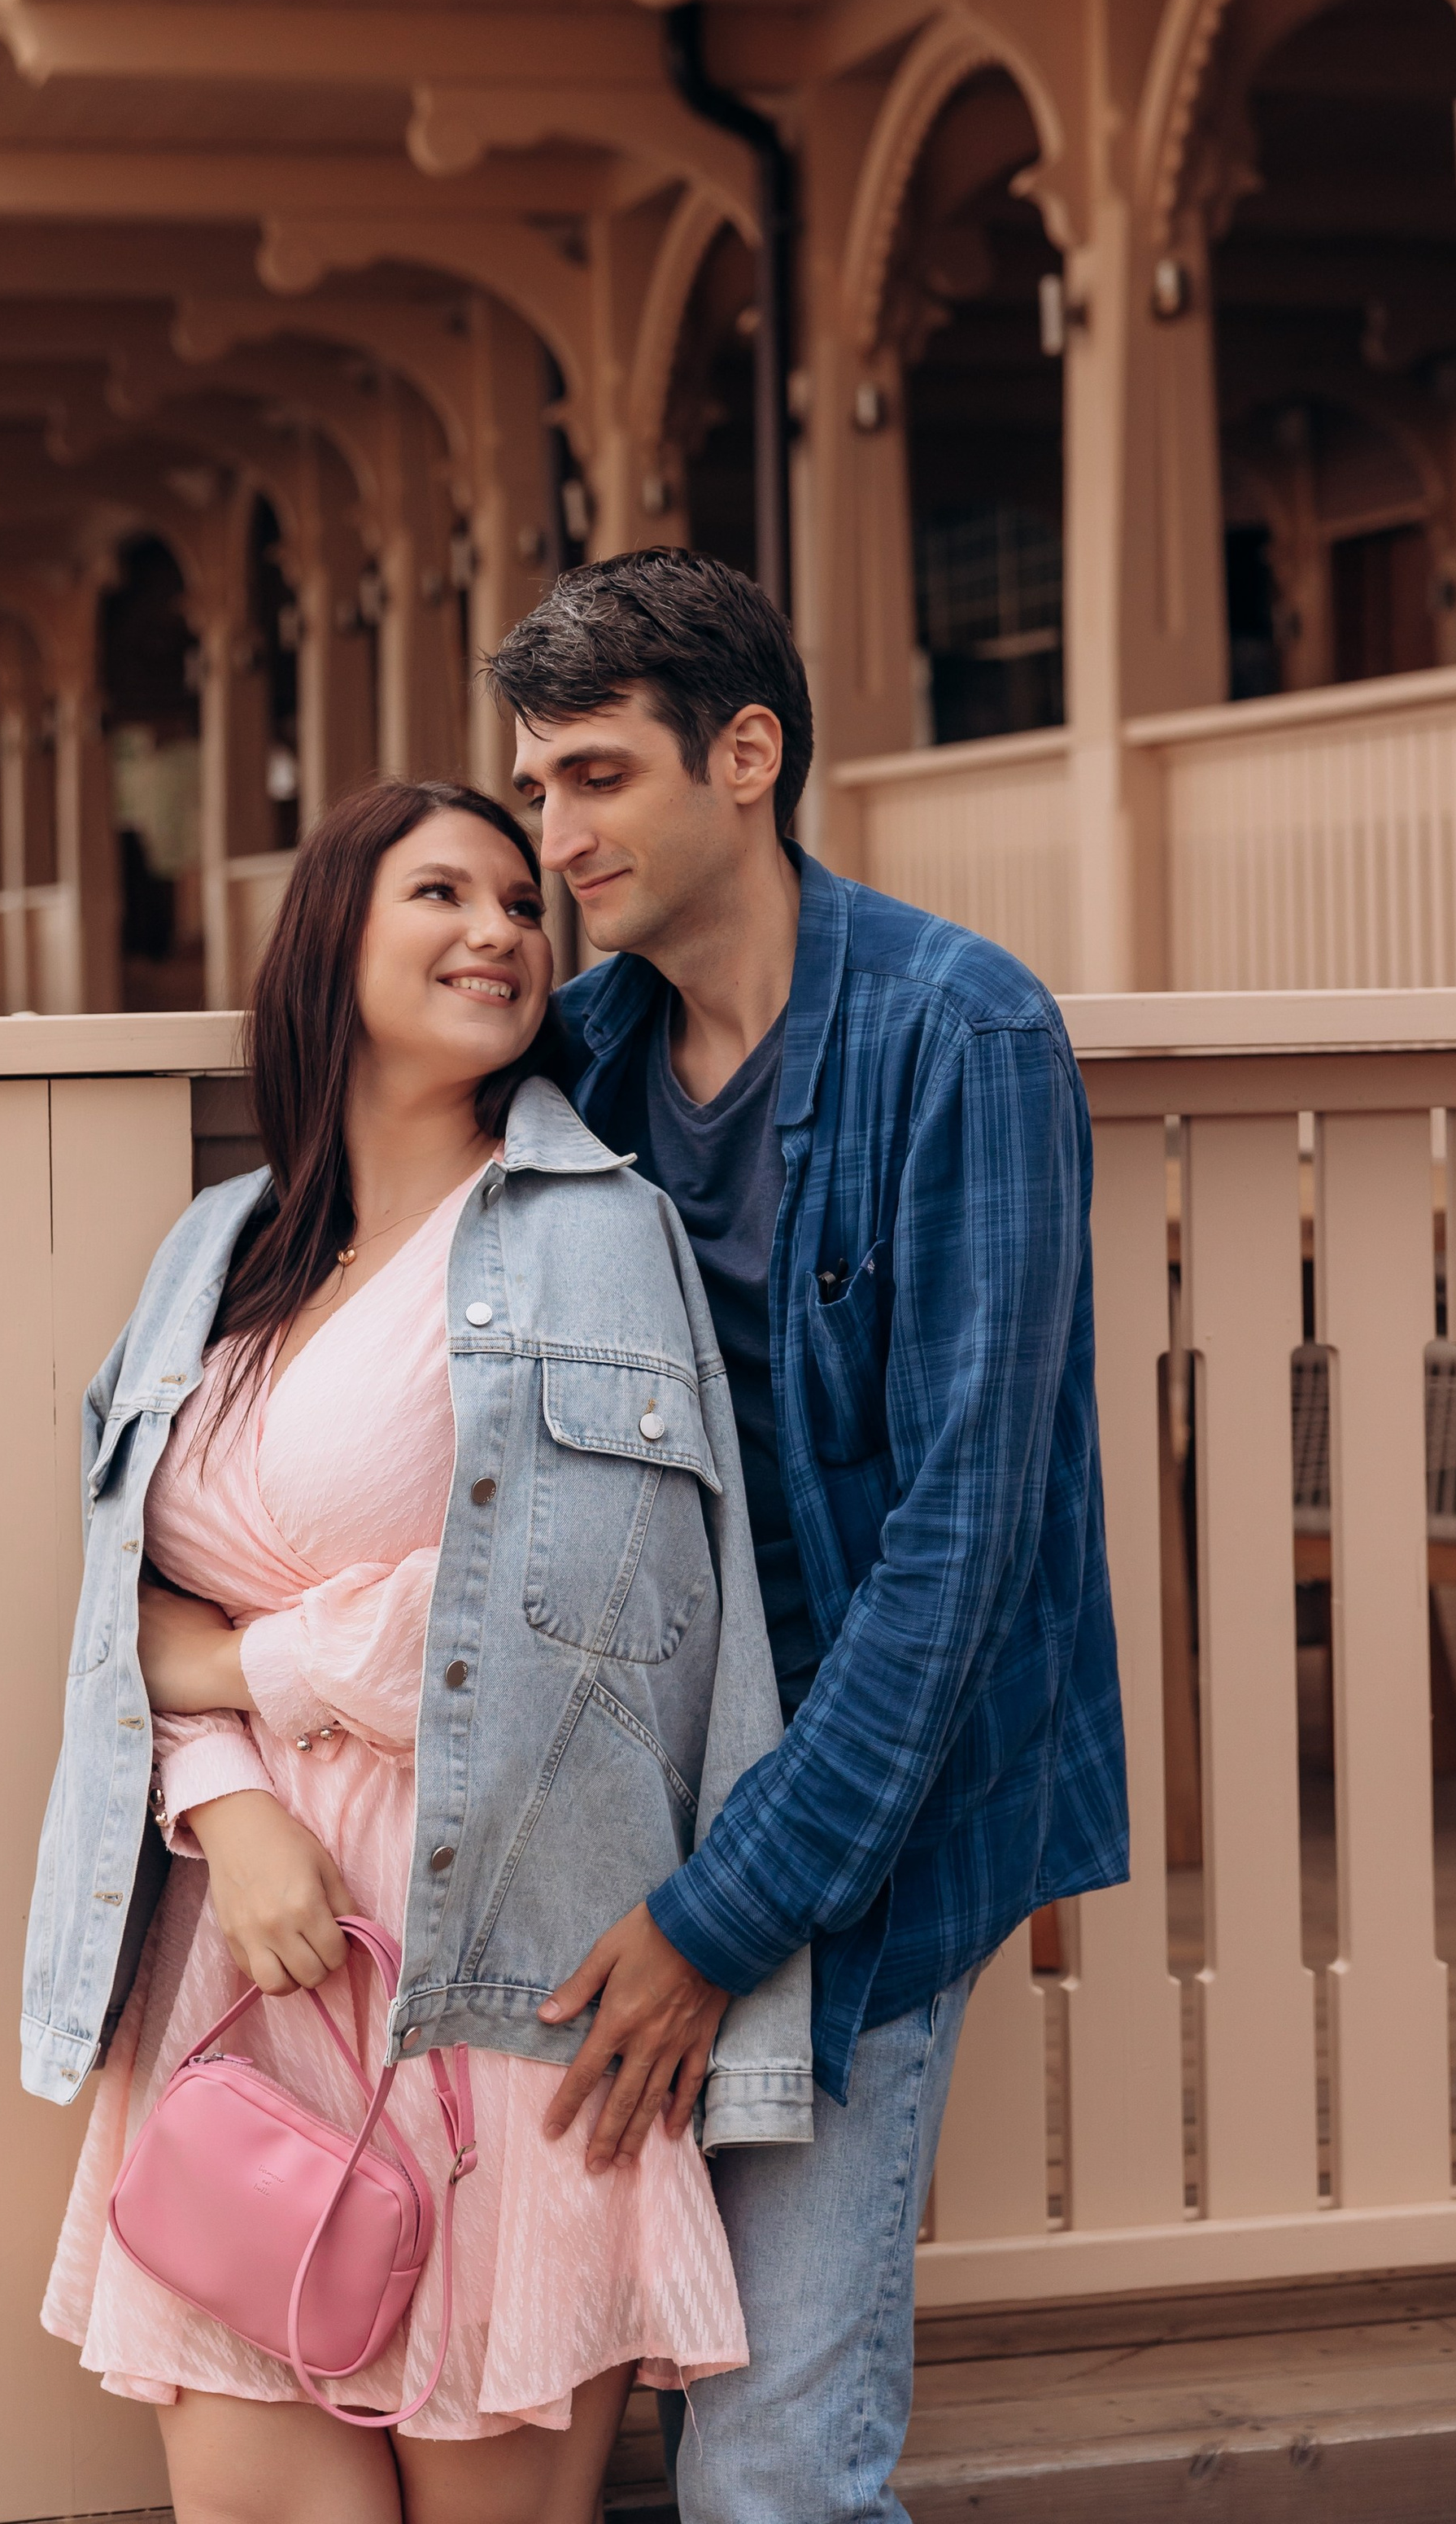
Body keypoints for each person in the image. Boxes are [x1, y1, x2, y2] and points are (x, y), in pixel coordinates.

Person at [20, 776, 812, 2524]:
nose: (501, 932)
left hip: (496, 1968)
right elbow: (112, 1609)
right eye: (440, 893)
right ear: (330, 943)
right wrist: (228, 1805)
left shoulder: (594, 1238)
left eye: (523, 904)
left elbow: (563, 1631)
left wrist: (233, 1672)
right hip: (245, 1962)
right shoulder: (220, 1247)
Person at [489, 549, 1128, 2524]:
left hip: (877, 1804)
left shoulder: (964, 1037)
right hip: (622, 1782)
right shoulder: (577, 1060)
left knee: (769, 2468)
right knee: (551, 2389)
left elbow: (958, 1553)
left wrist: (722, 1917)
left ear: (743, 754)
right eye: (528, 789)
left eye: (593, 777)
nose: (550, 835)